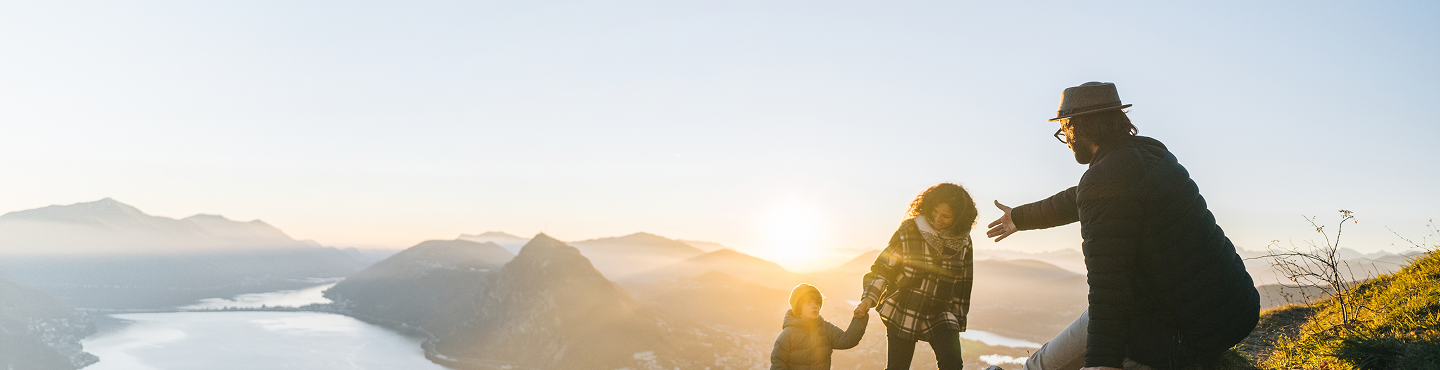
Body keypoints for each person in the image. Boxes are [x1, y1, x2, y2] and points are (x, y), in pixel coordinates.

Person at [985, 82, 1260, 370]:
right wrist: (1020, 217)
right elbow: (1079, 196)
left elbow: (1109, 286)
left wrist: (1101, 362)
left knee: (1041, 366)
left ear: (1076, 127)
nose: (1065, 139)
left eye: (1064, 130)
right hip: (1237, 310)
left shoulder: (1105, 178)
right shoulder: (1150, 154)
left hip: (1186, 334)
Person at [854, 183, 977, 370]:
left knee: (952, 363)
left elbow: (963, 282)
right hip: (905, 307)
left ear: (959, 218)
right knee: (898, 367)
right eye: (935, 211)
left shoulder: (964, 241)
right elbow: (883, 268)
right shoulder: (910, 230)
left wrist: (958, 319)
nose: (937, 219)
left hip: (940, 311)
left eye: (945, 216)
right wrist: (868, 299)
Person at [770, 283, 868, 370]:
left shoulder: (825, 328)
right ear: (798, 307)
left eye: (817, 303)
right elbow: (778, 366)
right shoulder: (787, 335)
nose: (815, 306)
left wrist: (859, 318)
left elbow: (847, 340)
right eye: (809, 303)